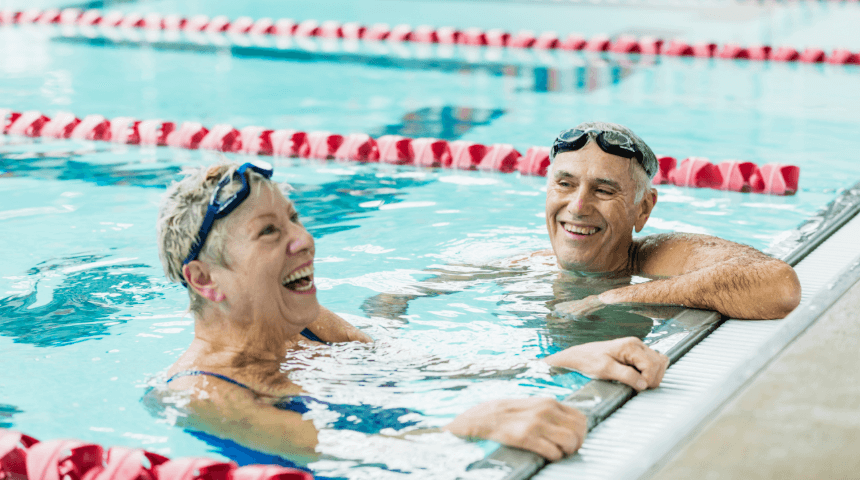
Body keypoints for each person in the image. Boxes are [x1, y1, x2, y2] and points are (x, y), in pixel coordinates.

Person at [146, 160, 669, 465]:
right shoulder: (199, 392)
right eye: (269, 232)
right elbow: (343, 451)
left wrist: (562, 361)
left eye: (295, 219)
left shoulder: (307, 324)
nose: (304, 240)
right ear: (205, 280)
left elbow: (422, 365)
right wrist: (461, 430)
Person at [543, 121, 801, 320]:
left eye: (604, 191)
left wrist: (613, 298)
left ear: (643, 209)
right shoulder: (529, 266)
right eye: (565, 184)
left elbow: (779, 285)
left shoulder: (658, 258)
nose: (578, 207)